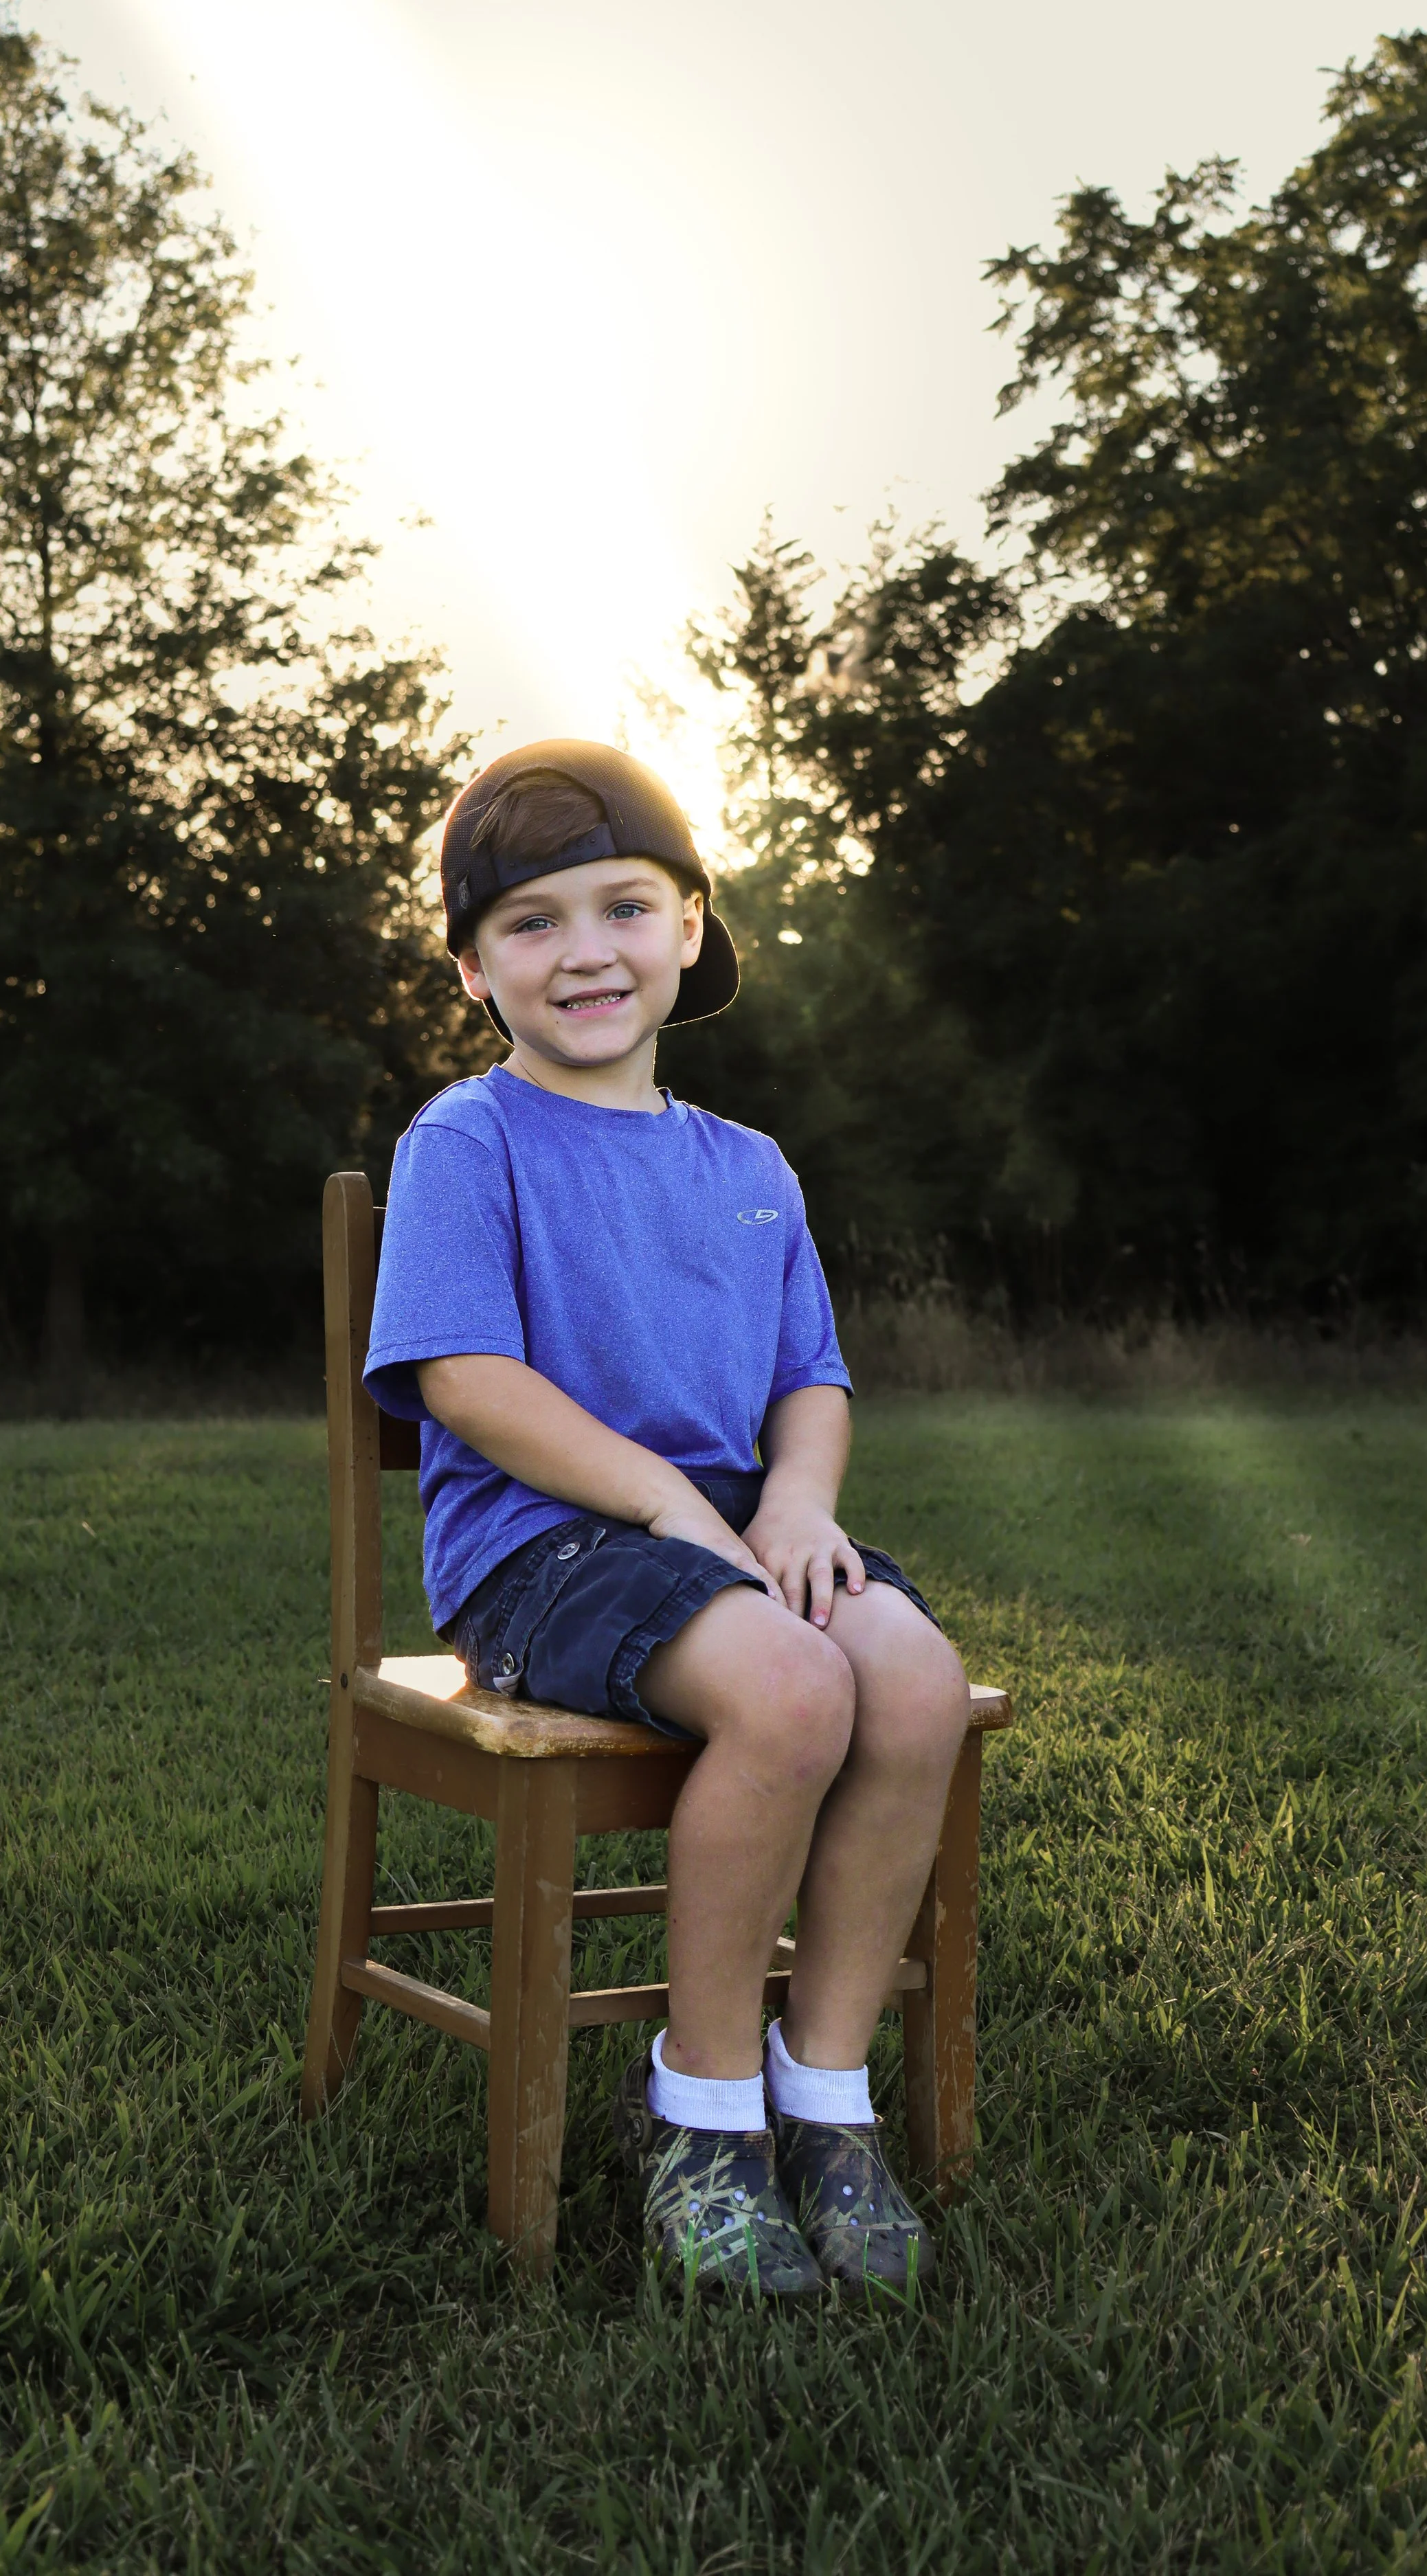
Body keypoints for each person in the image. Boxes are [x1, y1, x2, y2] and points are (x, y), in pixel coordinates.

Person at [365, 741, 973, 2298]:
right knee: (787, 1687)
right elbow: (461, 1378)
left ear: (689, 924)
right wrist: (659, 1505)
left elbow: (811, 1384)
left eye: (622, 906)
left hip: (726, 1526)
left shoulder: (749, 1166)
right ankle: (702, 2114)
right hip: (541, 1547)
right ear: (471, 969)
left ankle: (823, 2096)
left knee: (906, 1679)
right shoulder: (469, 1139)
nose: (584, 952)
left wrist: (796, 1504)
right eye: (529, 924)